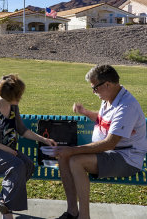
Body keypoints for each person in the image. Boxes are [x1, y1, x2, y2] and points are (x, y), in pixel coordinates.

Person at [55, 65, 147, 219]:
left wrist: (72, 150)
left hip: (126, 158)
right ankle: (72, 212)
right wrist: (85, 112)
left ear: (107, 84)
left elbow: (110, 143)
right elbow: (104, 119)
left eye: (95, 88)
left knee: (76, 160)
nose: (93, 92)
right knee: (64, 157)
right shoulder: (111, 98)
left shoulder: (126, 106)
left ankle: (84, 216)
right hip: (109, 153)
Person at [0, 74, 57, 219]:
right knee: (17, 166)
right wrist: (7, 149)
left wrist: (44, 139)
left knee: (28, 165)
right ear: (9, 95)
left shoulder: (13, 106)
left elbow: (22, 130)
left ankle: (1, 200)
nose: (20, 97)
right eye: (18, 95)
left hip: (9, 153)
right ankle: (7, 215)